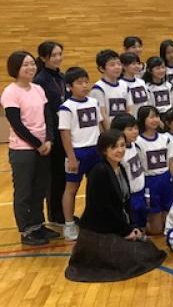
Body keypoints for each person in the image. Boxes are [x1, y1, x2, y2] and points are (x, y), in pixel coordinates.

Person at [65, 129, 167, 283]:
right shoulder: (99, 171)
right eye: (114, 147)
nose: (120, 150)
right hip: (100, 230)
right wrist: (125, 231)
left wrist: (132, 227)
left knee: (148, 249)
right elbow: (104, 209)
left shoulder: (121, 168)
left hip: (118, 224)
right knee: (133, 260)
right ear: (104, 150)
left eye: (122, 145)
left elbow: (126, 202)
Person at [1, 50, 57, 246]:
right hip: (23, 150)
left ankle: (38, 225)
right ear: (15, 68)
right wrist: (38, 144)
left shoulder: (37, 89)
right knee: (24, 191)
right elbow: (17, 125)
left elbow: (47, 115)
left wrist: (49, 139)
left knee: (40, 188)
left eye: (32, 63)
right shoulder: (10, 92)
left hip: (43, 147)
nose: (31, 67)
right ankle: (26, 230)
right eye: (25, 64)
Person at [59, 66, 103, 241]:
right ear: (70, 87)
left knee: (96, 188)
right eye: (79, 83)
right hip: (77, 153)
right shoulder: (66, 108)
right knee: (71, 189)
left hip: (96, 151)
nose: (85, 85)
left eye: (86, 81)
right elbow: (65, 134)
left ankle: (93, 220)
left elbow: (100, 125)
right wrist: (71, 157)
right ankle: (69, 224)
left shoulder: (93, 102)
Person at [33, 41, 66, 226]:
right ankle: (55, 214)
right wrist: (49, 137)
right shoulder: (40, 80)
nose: (58, 58)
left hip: (64, 131)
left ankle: (61, 212)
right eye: (53, 55)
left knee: (62, 175)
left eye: (60, 54)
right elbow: (44, 113)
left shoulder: (61, 77)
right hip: (52, 133)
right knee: (54, 177)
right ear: (44, 58)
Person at [137, 105, 172, 235]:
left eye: (157, 116)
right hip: (150, 182)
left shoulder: (165, 138)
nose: (155, 120)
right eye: (151, 117)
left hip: (166, 179)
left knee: (167, 224)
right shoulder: (138, 141)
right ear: (142, 120)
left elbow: (170, 161)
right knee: (156, 229)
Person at [90, 49, 131, 129]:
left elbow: (129, 110)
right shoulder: (98, 89)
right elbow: (102, 115)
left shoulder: (124, 85)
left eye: (119, 64)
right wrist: (112, 133)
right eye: (112, 65)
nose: (117, 67)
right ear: (102, 69)